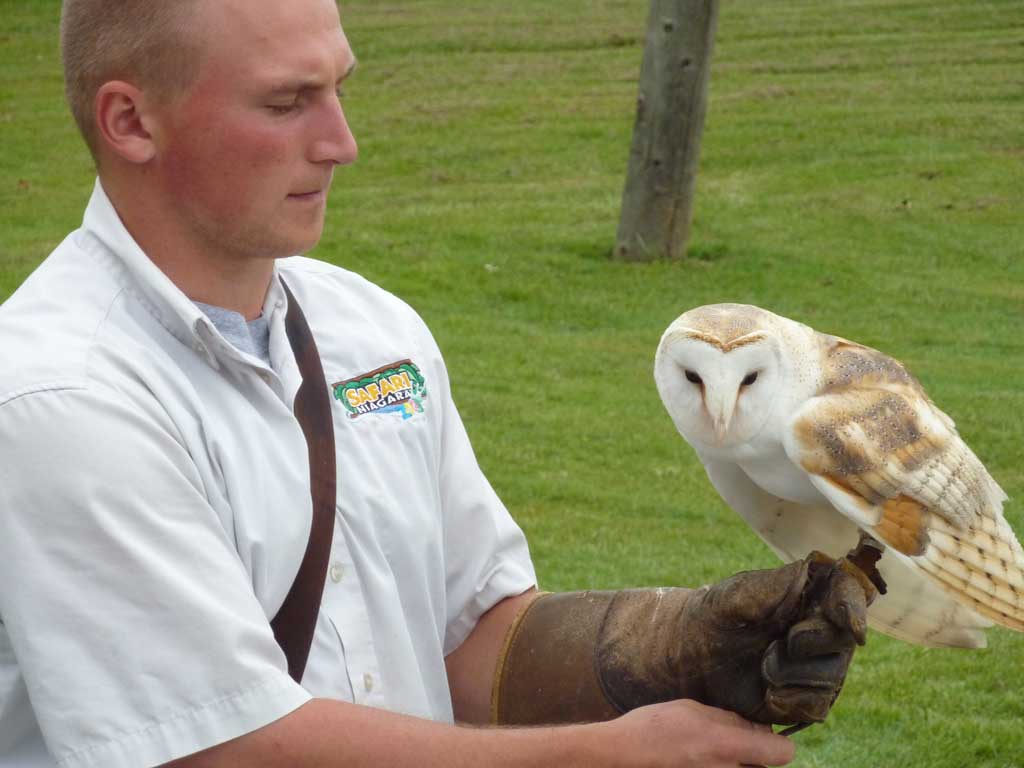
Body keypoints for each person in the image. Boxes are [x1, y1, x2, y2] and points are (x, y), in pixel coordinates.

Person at [0, 1, 872, 767]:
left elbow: (476, 641)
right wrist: (599, 759)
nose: (342, 142)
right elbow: (221, 748)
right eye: (285, 102)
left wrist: (669, 645)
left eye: (339, 88)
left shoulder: (371, 333)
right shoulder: (61, 398)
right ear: (130, 122)